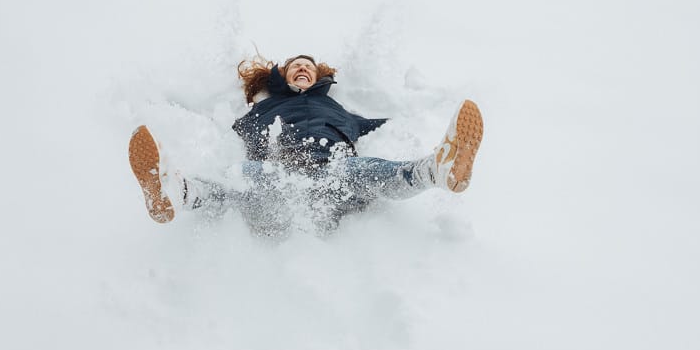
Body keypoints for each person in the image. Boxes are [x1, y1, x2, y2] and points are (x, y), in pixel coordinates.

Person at [127, 54, 483, 235]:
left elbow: (393, 124)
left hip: (337, 183)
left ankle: (438, 170)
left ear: (318, 76)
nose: (301, 68)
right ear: (281, 76)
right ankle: (176, 193)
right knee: (244, 173)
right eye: (294, 65)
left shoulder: (341, 110)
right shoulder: (259, 110)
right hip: (279, 186)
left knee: (364, 168)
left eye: (307, 66)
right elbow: (211, 122)